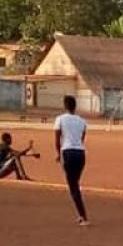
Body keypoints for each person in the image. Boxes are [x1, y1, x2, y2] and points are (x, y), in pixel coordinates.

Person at [54, 96, 88, 225]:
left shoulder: (60, 119)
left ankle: (83, 216)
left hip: (68, 152)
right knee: (75, 183)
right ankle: (81, 214)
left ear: (65, 106)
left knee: (73, 185)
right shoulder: (82, 121)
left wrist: (58, 154)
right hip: (80, 153)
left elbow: (57, 139)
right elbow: (81, 138)